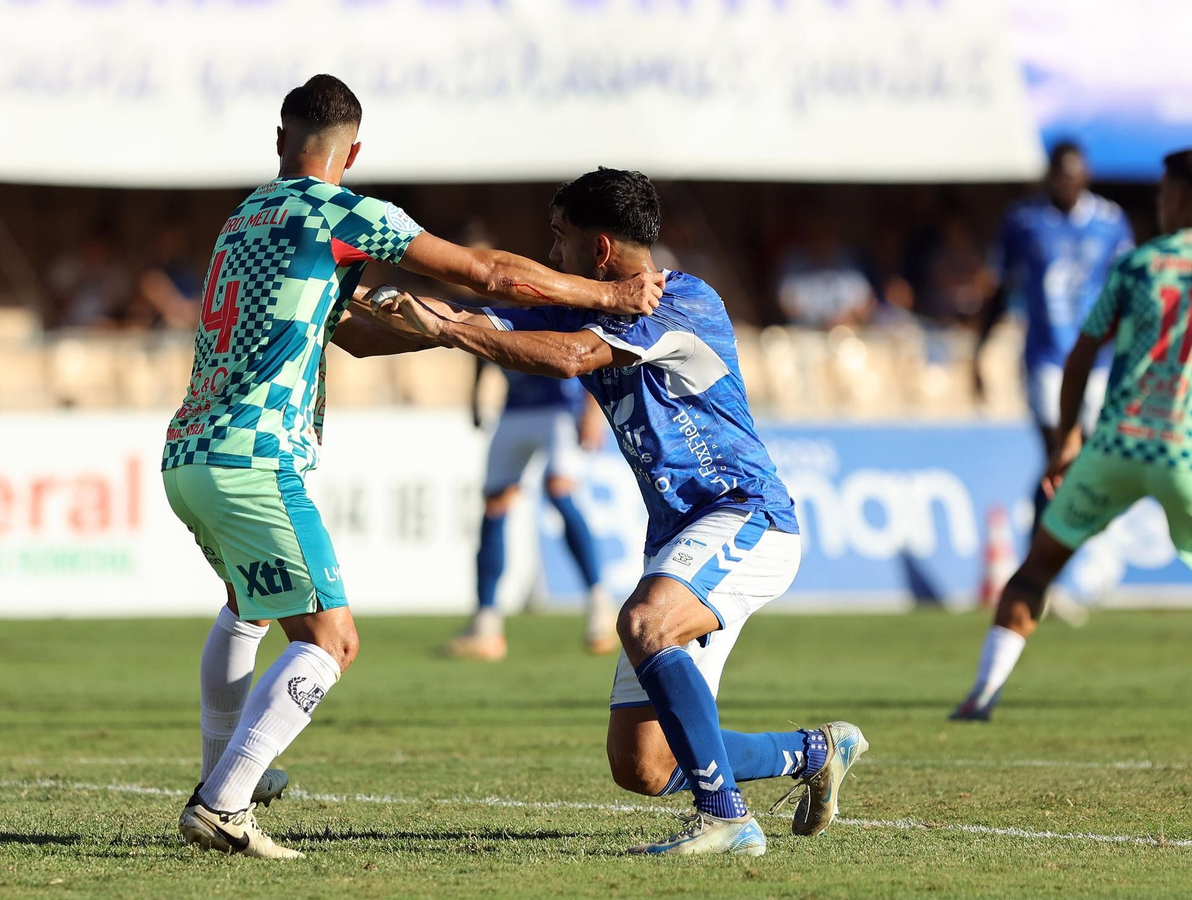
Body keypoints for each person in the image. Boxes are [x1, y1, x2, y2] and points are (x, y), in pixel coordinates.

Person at [165, 75, 663, 860]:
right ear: (353, 152)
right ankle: (223, 803)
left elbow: (351, 333)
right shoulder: (345, 212)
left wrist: (428, 323)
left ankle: (232, 774)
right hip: (254, 457)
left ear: (278, 141)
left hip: (190, 452)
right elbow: (489, 271)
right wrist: (602, 295)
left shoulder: (246, 218)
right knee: (332, 640)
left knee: (247, 609)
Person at [370, 167, 867, 857]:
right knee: (645, 765)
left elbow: (572, 358)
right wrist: (344, 303)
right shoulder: (582, 306)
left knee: (641, 621)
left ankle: (727, 819)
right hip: (678, 540)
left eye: (560, 237)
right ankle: (814, 752)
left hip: (746, 518)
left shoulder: (684, 301)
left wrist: (454, 332)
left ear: (599, 250)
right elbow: (431, 323)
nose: (552, 254)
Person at [952, 149, 1192, 722]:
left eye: (1164, 193)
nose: (1158, 202)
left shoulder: (1138, 265)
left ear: (1181, 197)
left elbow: (1083, 353)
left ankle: (982, 695)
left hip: (1112, 446)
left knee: (1035, 569)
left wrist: (1066, 443)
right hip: (1181, 448)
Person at [973, 142, 1135, 525]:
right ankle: (1044, 553)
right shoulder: (1025, 220)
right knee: (1058, 456)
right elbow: (999, 288)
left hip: (1096, 359)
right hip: (1047, 357)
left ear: (1087, 176)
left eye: (1074, 173)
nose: (1067, 182)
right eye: (1060, 174)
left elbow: (1129, 293)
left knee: (1087, 458)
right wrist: (981, 347)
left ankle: (1073, 547)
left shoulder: (1110, 223)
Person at [448, 356, 616, 661]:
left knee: (559, 491)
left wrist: (593, 411)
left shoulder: (555, 305)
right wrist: (476, 394)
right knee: (495, 505)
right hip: (514, 408)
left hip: (561, 405)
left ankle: (600, 607)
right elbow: (478, 334)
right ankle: (486, 624)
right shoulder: (491, 304)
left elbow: (589, 343)